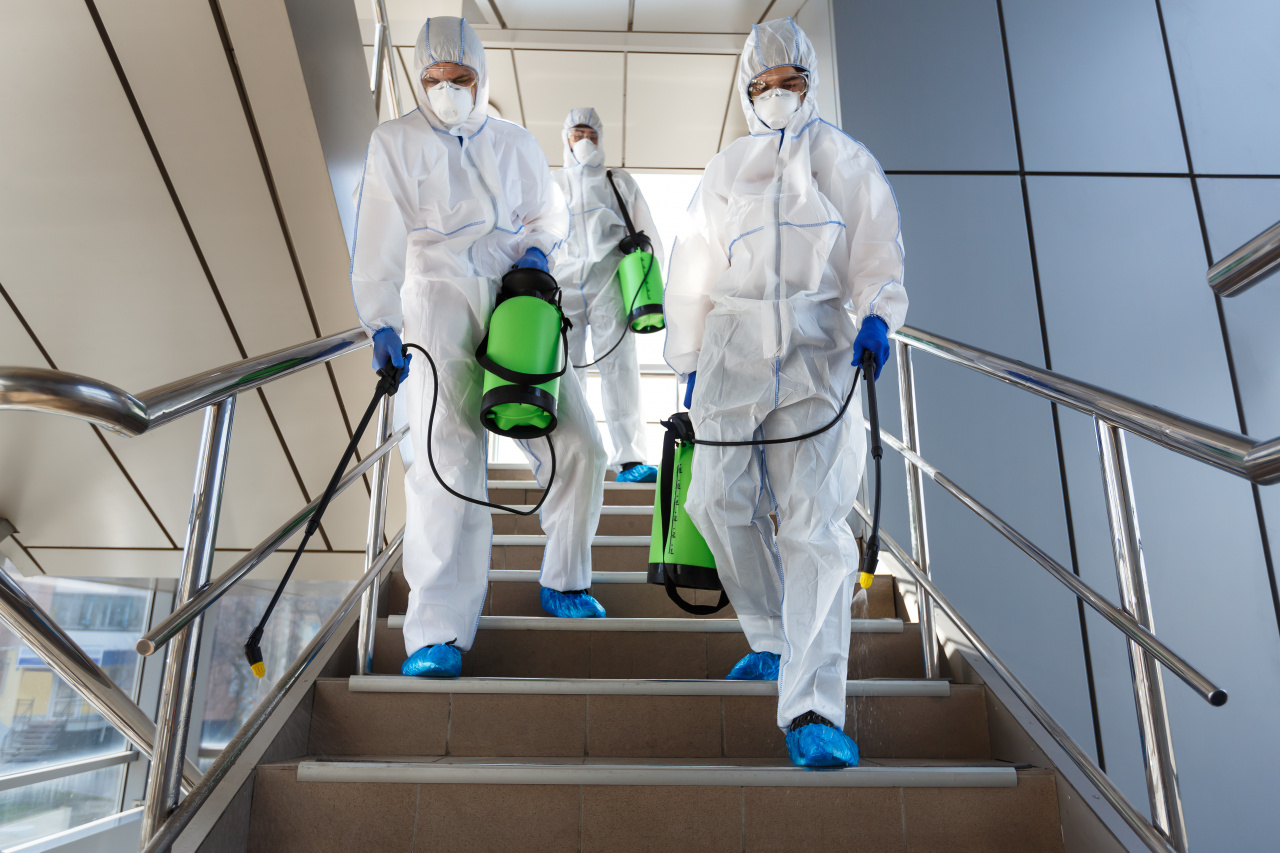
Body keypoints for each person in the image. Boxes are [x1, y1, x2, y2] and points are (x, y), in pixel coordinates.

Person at [664, 17, 907, 768]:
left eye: (789, 83)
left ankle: (811, 706)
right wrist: (688, 355)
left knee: (816, 526)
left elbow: (876, 248)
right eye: (763, 87)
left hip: (818, 349)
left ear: (809, 83)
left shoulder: (846, 161)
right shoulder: (726, 169)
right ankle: (771, 633)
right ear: (747, 93)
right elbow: (694, 263)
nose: (776, 97)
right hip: (734, 348)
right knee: (711, 497)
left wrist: (877, 317)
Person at [350, 16, 610, 679]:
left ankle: (566, 576)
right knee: (447, 463)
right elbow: (378, 237)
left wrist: (535, 247)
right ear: (418, 79)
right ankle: (437, 631)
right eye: (434, 80)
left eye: (460, 79)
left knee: (580, 439)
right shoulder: (395, 142)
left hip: (514, 300)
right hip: (435, 302)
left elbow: (550, 217)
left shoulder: (516, 143)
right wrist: (380, 322)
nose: (447, 91)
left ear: (481, 76)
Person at [552, 108, 663, 484]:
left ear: (600, 139)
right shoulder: (551, 184)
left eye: (590, 134)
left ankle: (630, 459)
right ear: (564, 139)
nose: (583, 140)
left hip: (609, 283)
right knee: (565, 370)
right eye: (576, 133)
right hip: (562, 289)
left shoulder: (618, 180)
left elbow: (646, 230)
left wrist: (655, 281)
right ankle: (572, 453)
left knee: (620, 371)